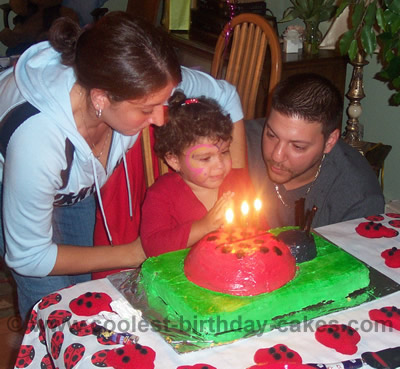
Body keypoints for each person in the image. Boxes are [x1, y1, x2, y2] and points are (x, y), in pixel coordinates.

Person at [0, 11, 246, 321]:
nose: (160, 119)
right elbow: (29, 256)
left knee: (81, 295)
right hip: (11, 178)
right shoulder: (37, 141)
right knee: (52, 309)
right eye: (147, 109)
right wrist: (133, 252)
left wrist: (237, 180)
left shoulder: (139, 82)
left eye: (164, 102)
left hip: (72, 183)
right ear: (100, 98)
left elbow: (227, 95)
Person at [245, 73, 385, 229]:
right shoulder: (239, 143)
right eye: (271, 135)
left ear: (329, 142)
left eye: (297, 146)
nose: (276, 155)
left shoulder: (358, 199)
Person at [140, 91, 258, 257]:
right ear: (174, 160)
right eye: (205, 158)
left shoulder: (238, 184)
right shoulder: (161, 194)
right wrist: (205, 226)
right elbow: (153, 246)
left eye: (224, 152)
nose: (219, 166)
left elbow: (260, 229)